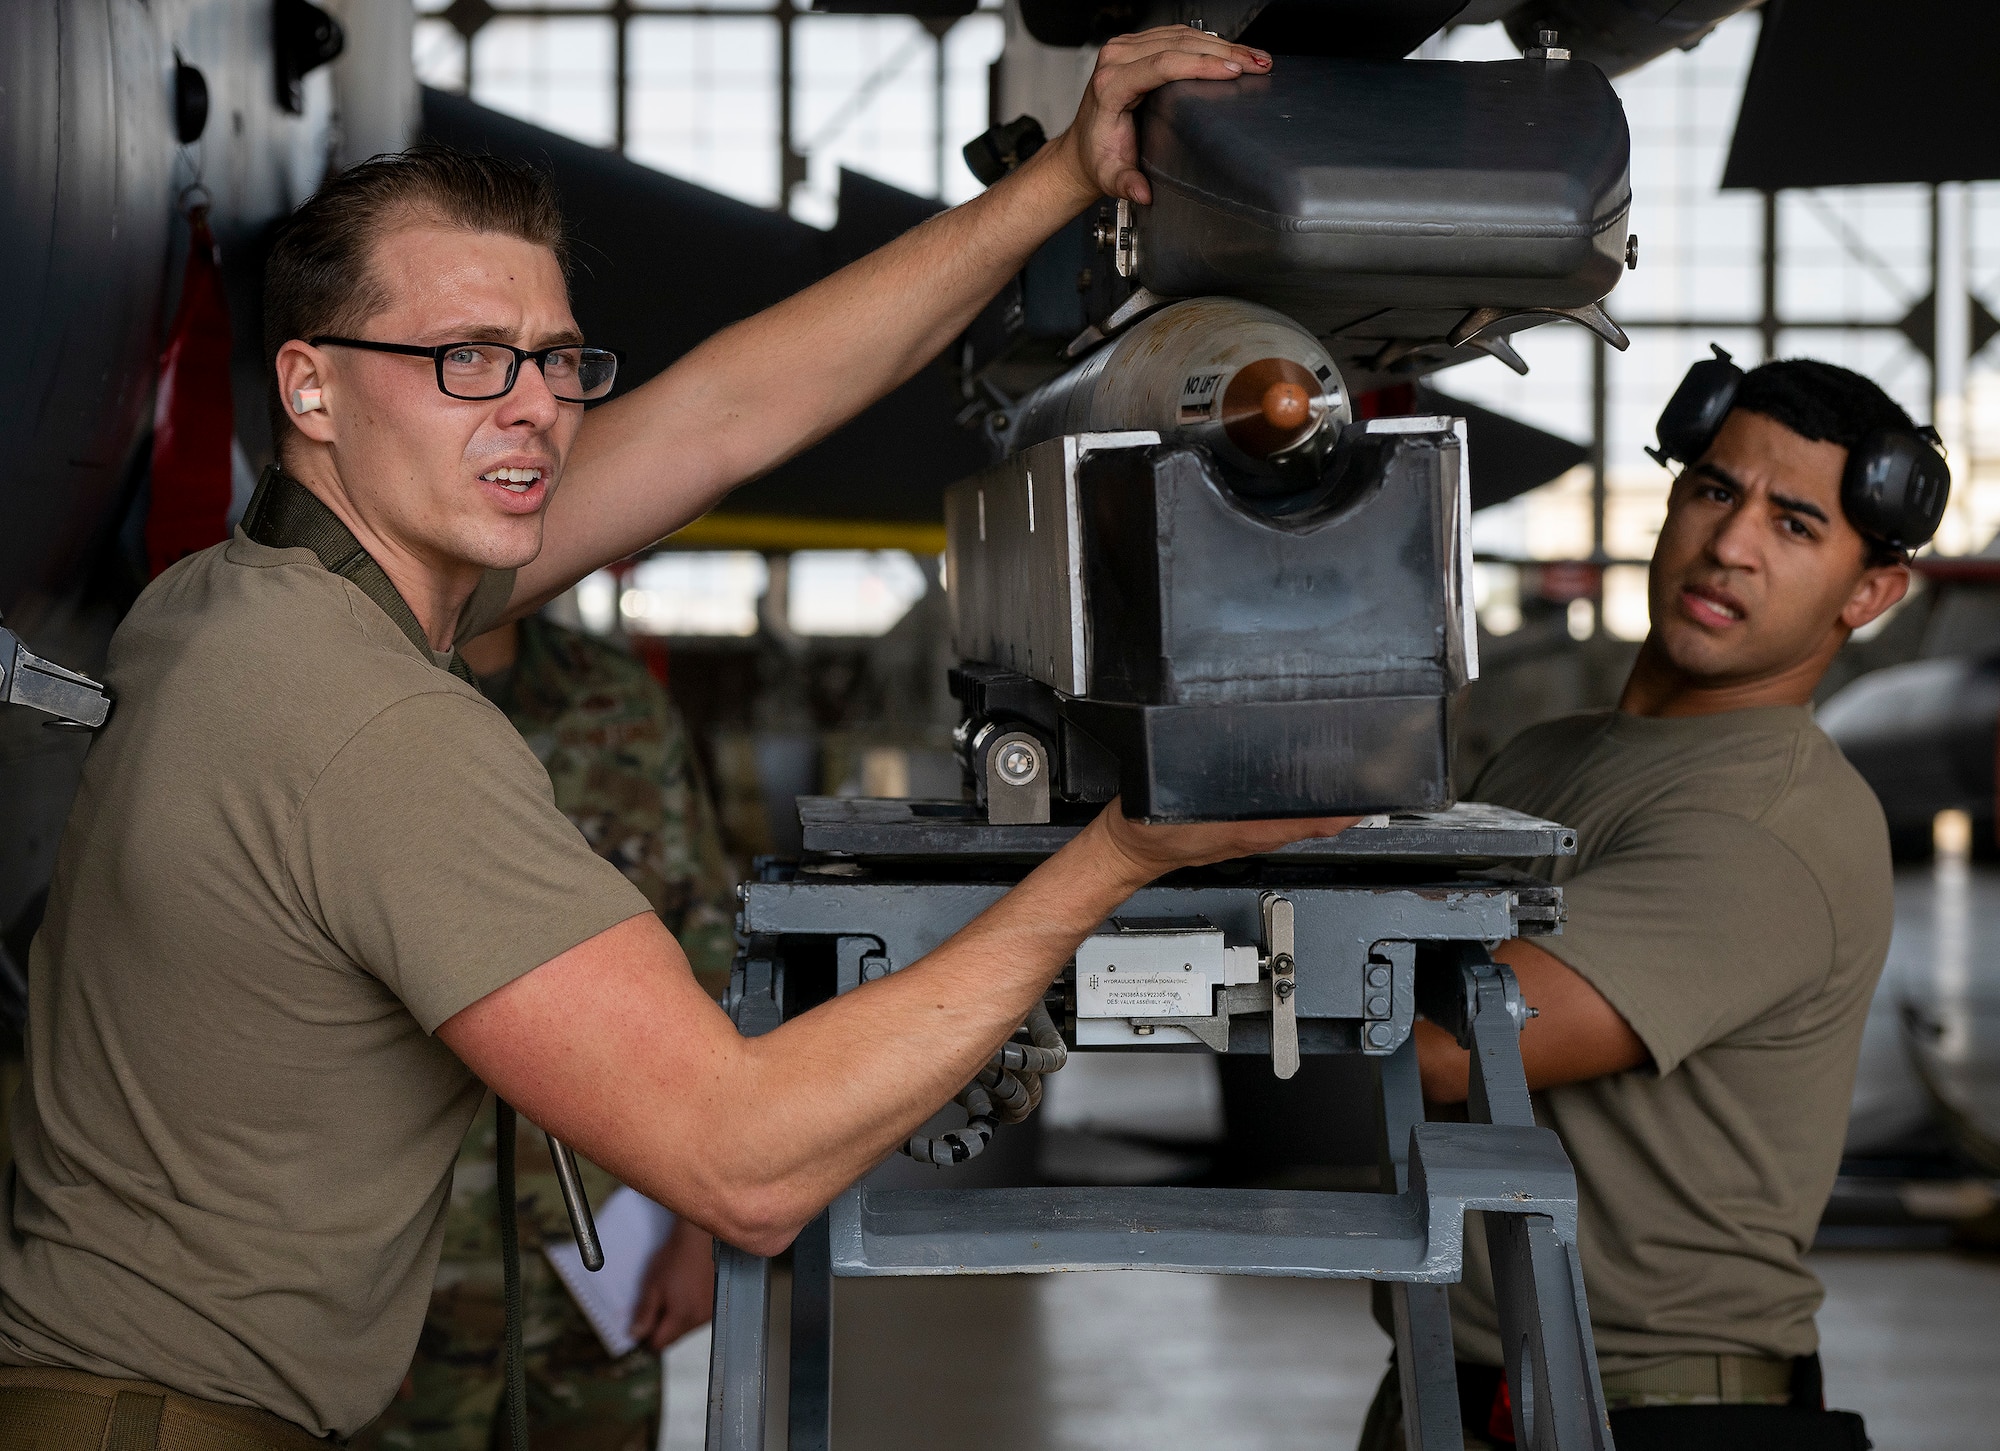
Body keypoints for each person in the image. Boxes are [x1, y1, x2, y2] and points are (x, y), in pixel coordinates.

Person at [0, 28, 1349, 1450]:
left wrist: (1059, 178)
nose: (533, 405)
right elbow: (743, 1157)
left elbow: (723, 413)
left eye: (552, 358)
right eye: (465, 358)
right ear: (310, 388)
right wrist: (1116, 856)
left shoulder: (234, 598)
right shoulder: (372, 717)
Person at [1357, 358, 1939, 1447]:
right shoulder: (1548, 757)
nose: (1731, 544)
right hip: (1458, 1387)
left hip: (1650, 1407)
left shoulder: (1774, 820)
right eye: (1716, 490)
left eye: (1796, 524)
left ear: (1867, 594)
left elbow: (1445, 1047)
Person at [354, 614, 734, 1451]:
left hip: (601, 1247)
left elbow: (706, 955)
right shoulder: (349, 681)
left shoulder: (619, 702)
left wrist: (701, 1229)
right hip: (396, 1263)